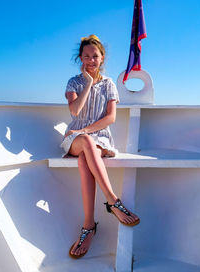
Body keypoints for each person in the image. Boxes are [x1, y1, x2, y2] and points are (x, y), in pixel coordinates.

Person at [61, 34, 140, 259]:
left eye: (94, 56)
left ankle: (88, 226)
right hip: (75, 138)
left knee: (87, 157)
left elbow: (111, 118)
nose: (91, 60)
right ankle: (113, 201)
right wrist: (87, 83)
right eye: (86, 57)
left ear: (102, 58)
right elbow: (75, 111)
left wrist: (86, 131)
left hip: (99, 138)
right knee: (86, 144)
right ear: (80, 58)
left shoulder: (109, 84)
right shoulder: (73, 82)